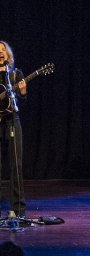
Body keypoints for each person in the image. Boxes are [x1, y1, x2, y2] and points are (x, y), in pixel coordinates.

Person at [0, 41, 27, 218]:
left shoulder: (15, 74)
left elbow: (21, 103)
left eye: (3, 50)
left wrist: (23, 92)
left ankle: (18, 210)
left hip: (12, 121)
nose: (1, 53)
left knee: (16, 166)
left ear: (8, 55)